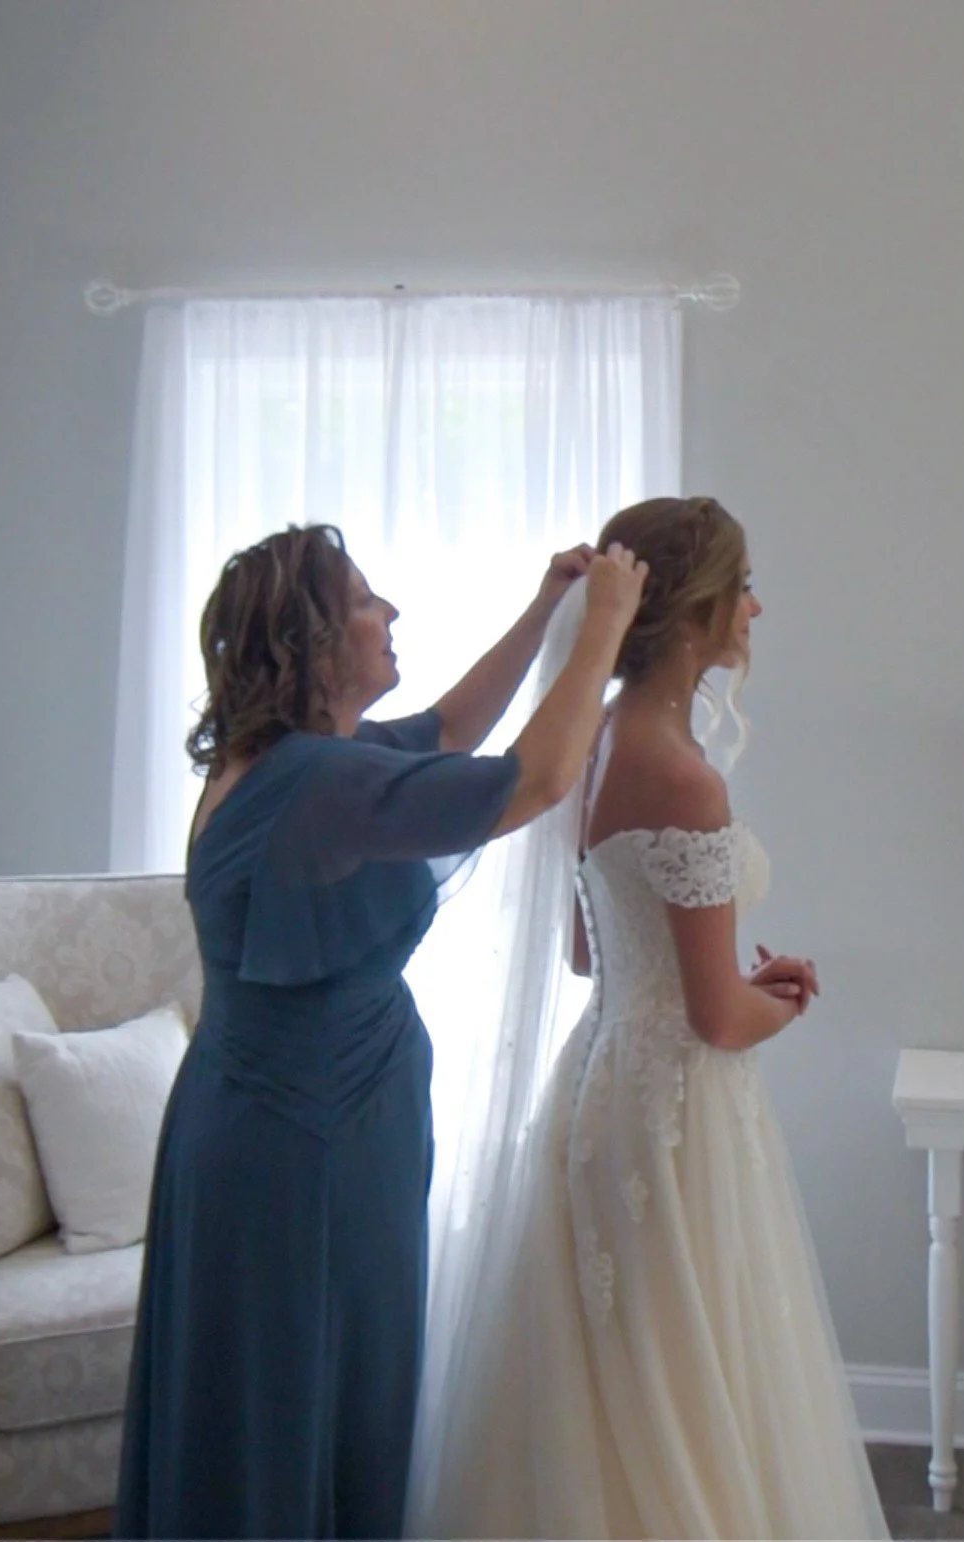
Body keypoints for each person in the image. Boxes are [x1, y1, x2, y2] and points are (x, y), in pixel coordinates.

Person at [113, 521, 647, 1541]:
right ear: (311, 643)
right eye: (365, 600)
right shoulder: (315, 781)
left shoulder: (305, 764)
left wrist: (544, 610)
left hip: (313, 1123)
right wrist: (603, 629)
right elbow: (532, 781)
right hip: (295, 1143)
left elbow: (451, 728)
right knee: (290, 1401)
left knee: (327, 1388)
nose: (389, 612)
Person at [410, 496, 889, 1541]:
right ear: (696, 610)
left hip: (600, 1084)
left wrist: (696, 979)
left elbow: (589, 953)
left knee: (607, 1374)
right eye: (743, 587)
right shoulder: (684, 777)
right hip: (679, 1113)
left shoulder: (592, 742)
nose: (756, 609)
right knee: (686, 1373)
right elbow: (718, 1019)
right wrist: (787, 998)